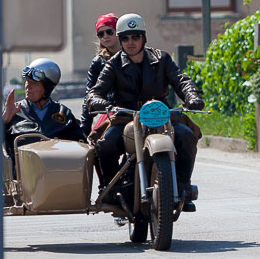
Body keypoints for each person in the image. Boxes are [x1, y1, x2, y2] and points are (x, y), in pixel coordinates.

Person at [85, 13, 205, 211]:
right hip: (126, 118)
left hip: (160, 116)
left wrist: (192, 96)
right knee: (105, 145)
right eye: (125, 38)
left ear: (144, 38)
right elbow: (95, 91)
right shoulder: (113, 64)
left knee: (187, 136)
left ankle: (183, 187)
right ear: (121, 40)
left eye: (135, 37)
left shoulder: (162, 59)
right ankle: (113, 190)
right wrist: (98, 101)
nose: (130, 42)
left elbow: (180, 80)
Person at [0, 58, 84, 155]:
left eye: (34, 83)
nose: (27, 86)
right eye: (27, 81)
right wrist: (4, 120)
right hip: (20, 171)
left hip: (56, 170)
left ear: (48, 88)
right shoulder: (14, 110)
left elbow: (82, 144)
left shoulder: (64, 113)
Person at [80, 13, 120, 137]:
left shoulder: (135, 56)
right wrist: (84, 129)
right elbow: (89, 96)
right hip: (111, 112)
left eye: (109, 31)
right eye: (100, 34)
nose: (105, 36)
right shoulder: (98, 62)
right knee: (103, 144)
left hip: (137, 110)